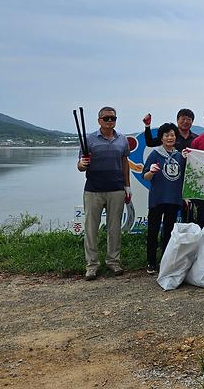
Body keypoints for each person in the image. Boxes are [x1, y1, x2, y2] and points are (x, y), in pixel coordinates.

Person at [76, 106, 131, 281]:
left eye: (113, 118)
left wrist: (127, 187)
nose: (110, 121)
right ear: (99, 120)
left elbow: (125, 162)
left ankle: (113, 262)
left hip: (116, 189)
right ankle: (91, 265)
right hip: (93, 190)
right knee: (91, 229)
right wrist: (82, 164)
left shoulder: (122, 140)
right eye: (106, 118)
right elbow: (80, 165)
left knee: (114, 228)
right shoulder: (89, 139)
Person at [142, 123, 188, 275]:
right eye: (166, 135)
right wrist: (152, 171)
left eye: (173, 135)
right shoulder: (155, 154)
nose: (170, 138)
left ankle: (165, 262)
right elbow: (145, 176)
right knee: (153, 231)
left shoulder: (180, 155)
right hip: (157, 199)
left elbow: (185, 177)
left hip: (174, 199)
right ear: (161, 138)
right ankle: (151, 263)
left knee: (169, 232)